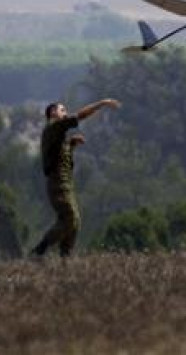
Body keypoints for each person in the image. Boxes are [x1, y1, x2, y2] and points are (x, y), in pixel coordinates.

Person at [30, 98, 121, 258]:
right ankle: (40, 249)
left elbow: (59, 156)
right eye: (62, 110)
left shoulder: (59, 135)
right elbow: (81, 115)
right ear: (53, 113)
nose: (65, 113)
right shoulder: (53, 127)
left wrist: (71, 144)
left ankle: (65, 259)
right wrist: (102, 103)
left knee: (75, 222)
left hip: (66, 185)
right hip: (58, 185)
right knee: (70, 218)